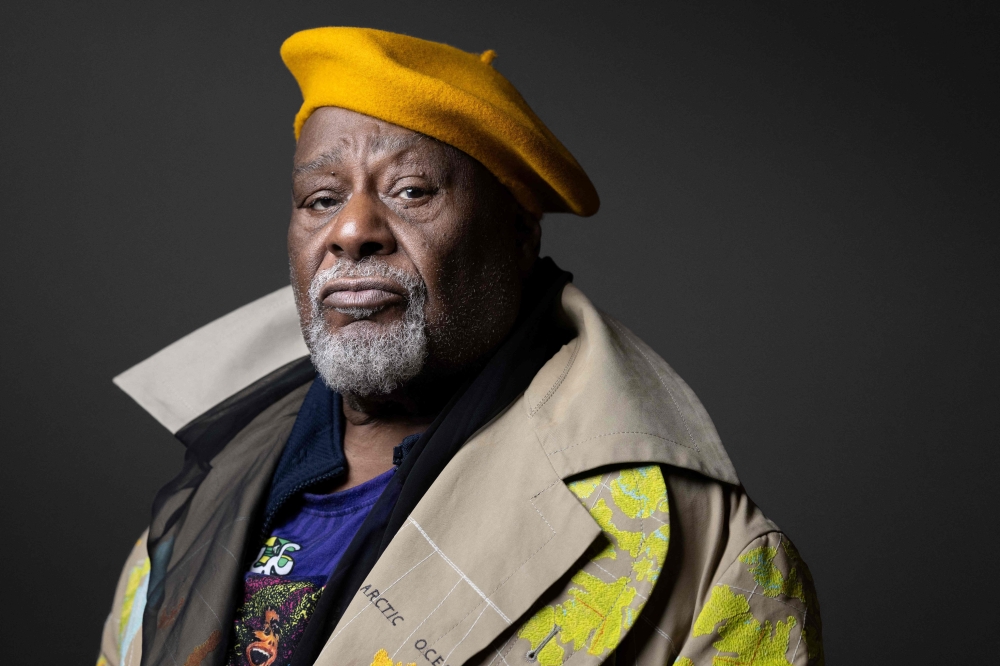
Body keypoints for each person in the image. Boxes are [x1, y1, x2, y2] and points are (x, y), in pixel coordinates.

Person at [98, 27, 823, 666]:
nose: (351, 230)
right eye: (321, 199)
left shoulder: (715, 556)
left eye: (411, 191)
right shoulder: (199, 509)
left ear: (519, 236)